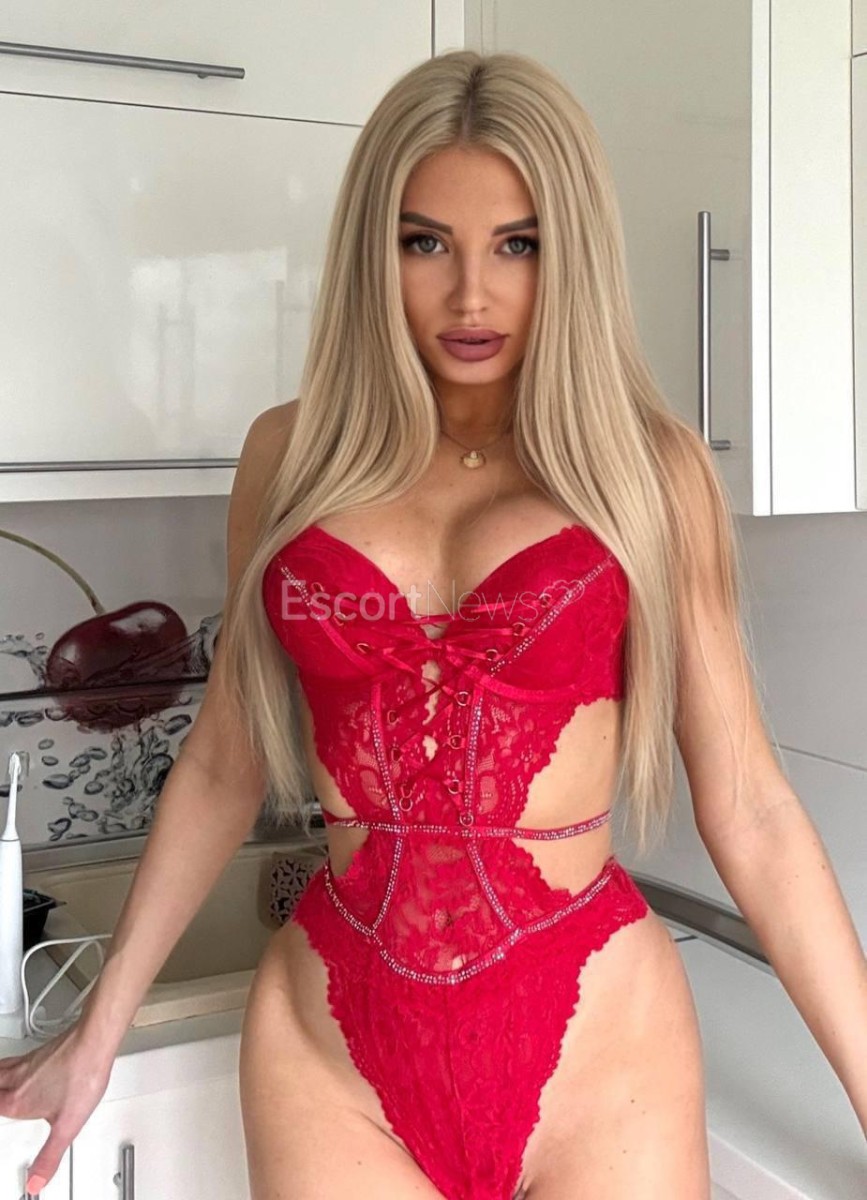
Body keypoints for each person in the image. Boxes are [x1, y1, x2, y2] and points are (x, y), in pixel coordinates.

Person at [2, 48, 865, 1200]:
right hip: (330, 1056)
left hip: (599, 1053)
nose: (470, 295)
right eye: (426, 243)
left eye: (517, 244)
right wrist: (99, 1030)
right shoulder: (289, 457)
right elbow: (222, 762)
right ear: (376, 251)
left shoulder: (648, 473)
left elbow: (751, 807)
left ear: (572, 253)